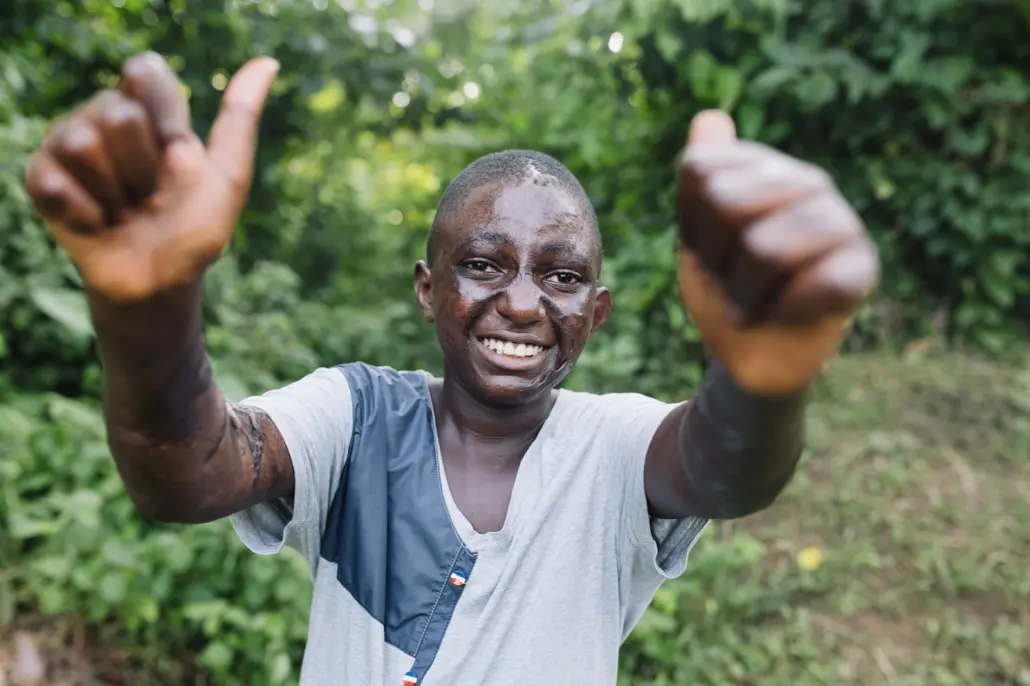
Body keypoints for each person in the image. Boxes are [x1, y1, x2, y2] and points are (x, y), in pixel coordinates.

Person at [24, 53, 879, 685]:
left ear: (597, 311)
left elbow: (726, 468)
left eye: (563, 275)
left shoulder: (610, 447)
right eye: (483, 264)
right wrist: (149, 311)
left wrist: (760, 375)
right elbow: (186, 475)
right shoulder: (354, 418)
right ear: (428, 291)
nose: (521, 302)